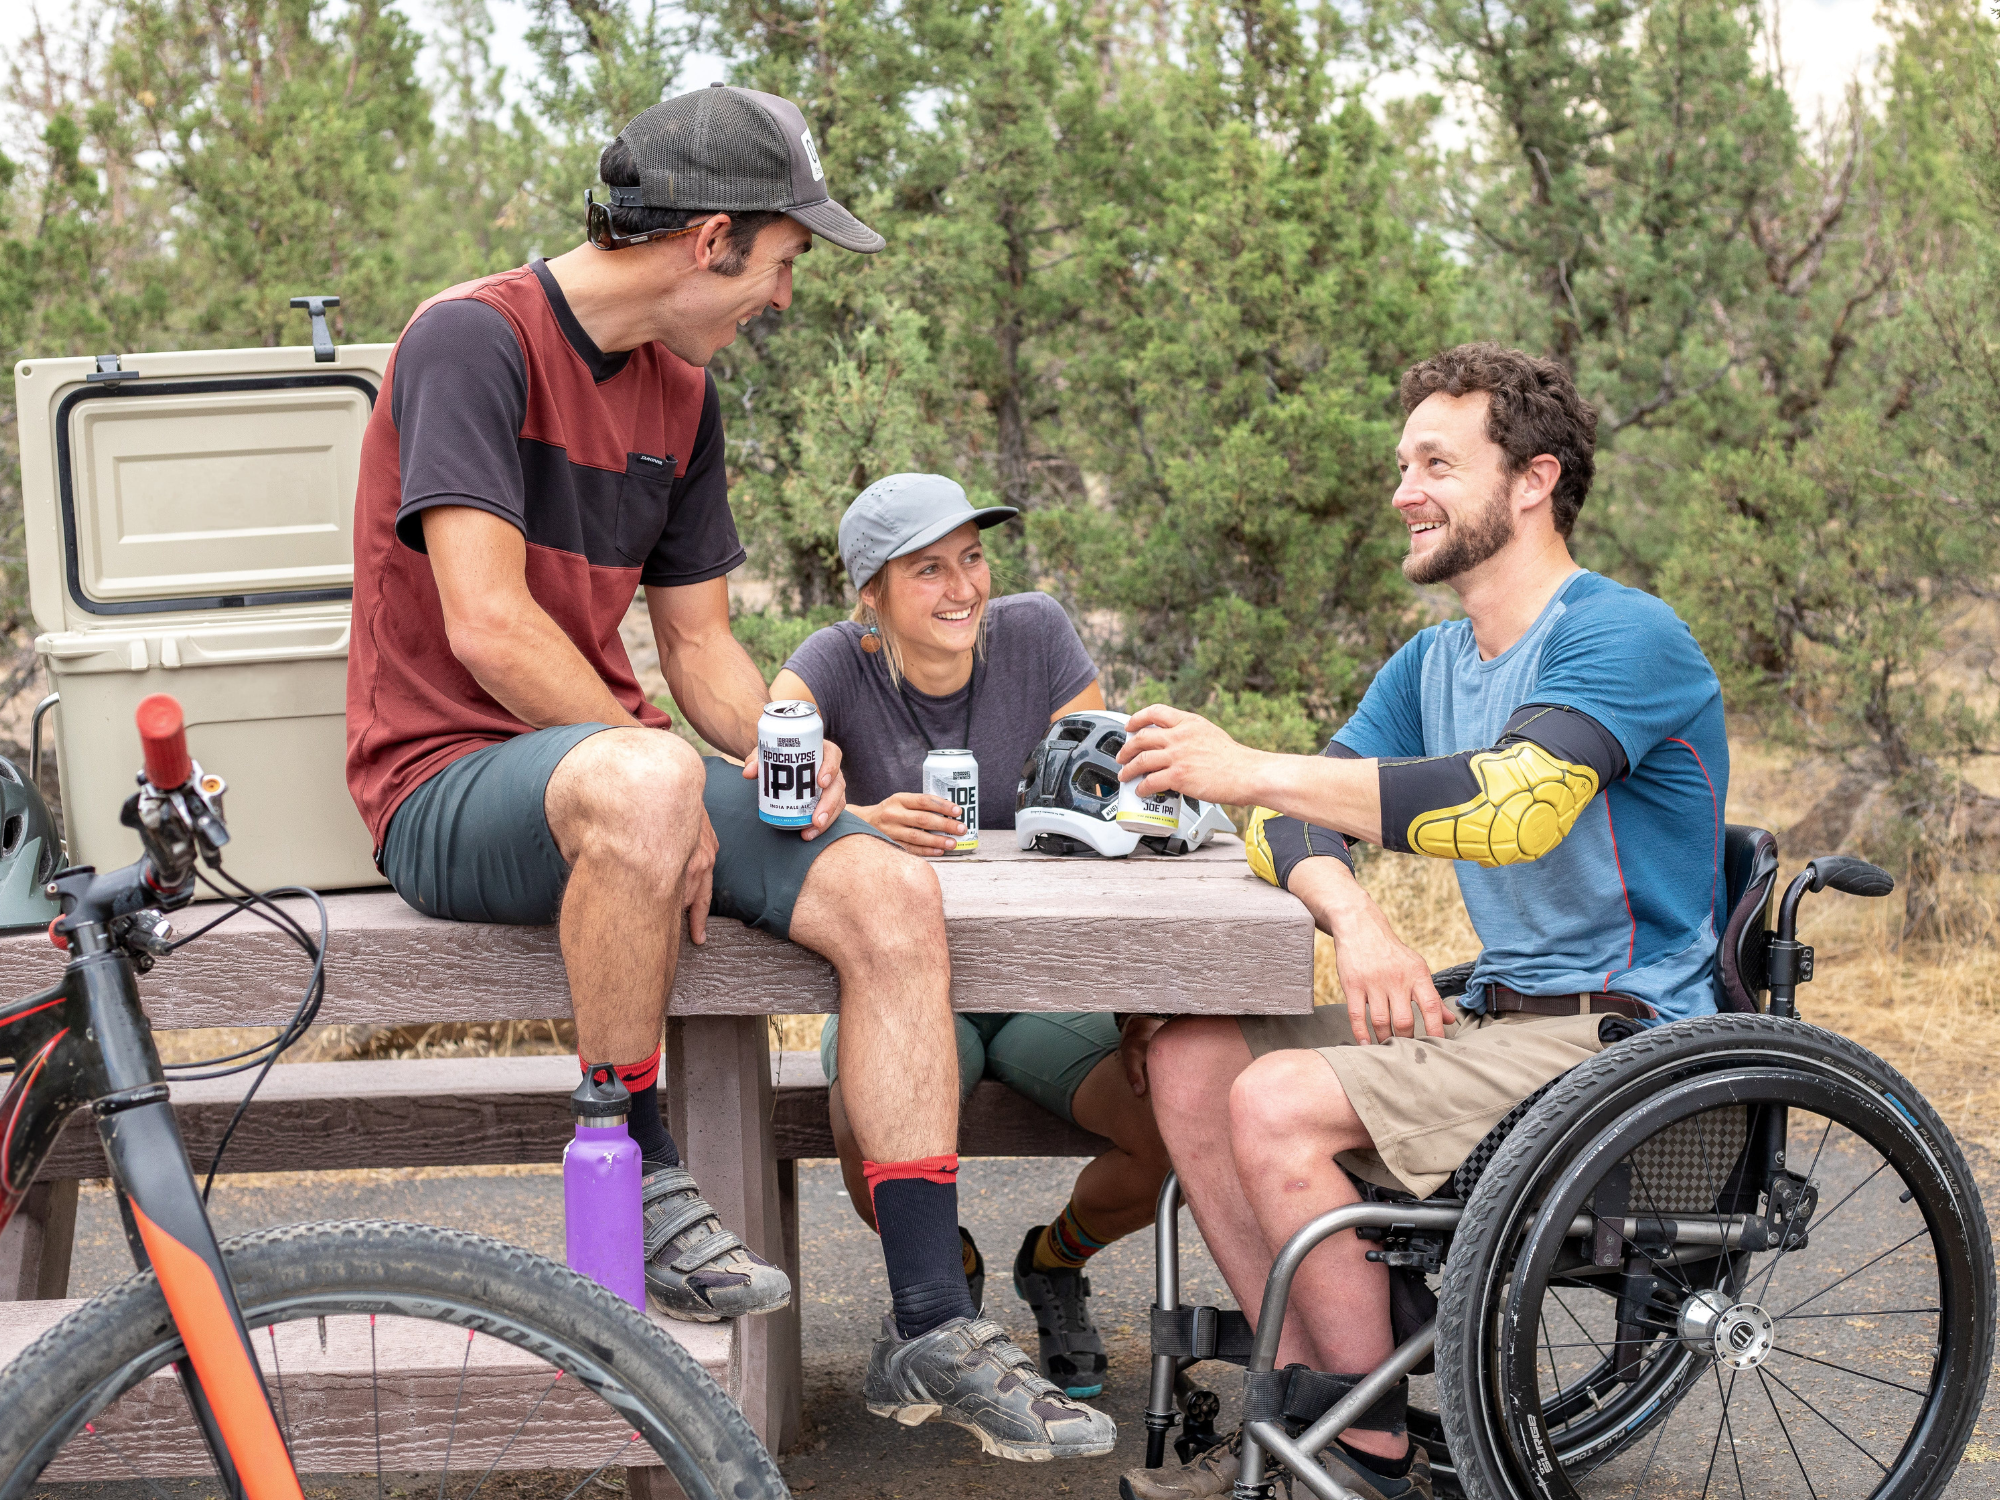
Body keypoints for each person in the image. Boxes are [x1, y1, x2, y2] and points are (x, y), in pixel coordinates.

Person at [344, 85, 1114, 1462]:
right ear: (710, 240)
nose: (783, 295)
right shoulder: (473, 340)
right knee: (646, 790)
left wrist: (790, 756)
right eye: (784, 262)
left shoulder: (680, 396)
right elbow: (487, 622)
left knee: (885, 896)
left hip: (610, 763)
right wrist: (657, 767)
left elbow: (697, 640)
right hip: (445, 778)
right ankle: (632, 1155)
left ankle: (934, 1313)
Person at [1113, 343, 1728, 1500]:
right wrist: (1353, 918)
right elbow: (1279, 830)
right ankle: (1315, 1409)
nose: (1404, 491)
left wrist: (1248, 765)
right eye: (1403, 463)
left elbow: (1514, 809)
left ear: (1532, 480)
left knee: (1276, 1099)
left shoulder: (1623, 636)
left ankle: (1363, 1456)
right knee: (1190, 1051)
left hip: (1622, 1036)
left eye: (1436, 463)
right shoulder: (1432, 659)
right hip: (1497, 1017)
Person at [768, 472, 1174, 1398]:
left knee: (1172, 1124)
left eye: (973, 557)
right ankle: (949, 1279)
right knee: (867, 1139)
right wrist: (856, 818)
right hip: (894, 988)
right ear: (870, 594)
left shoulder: (1037, 634)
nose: (964, 588)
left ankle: (1053, 1262)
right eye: (927, 569)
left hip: (1040, 991)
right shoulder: (830, 662)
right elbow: (758, 784)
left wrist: (1139, 999)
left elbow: (1106, 812)